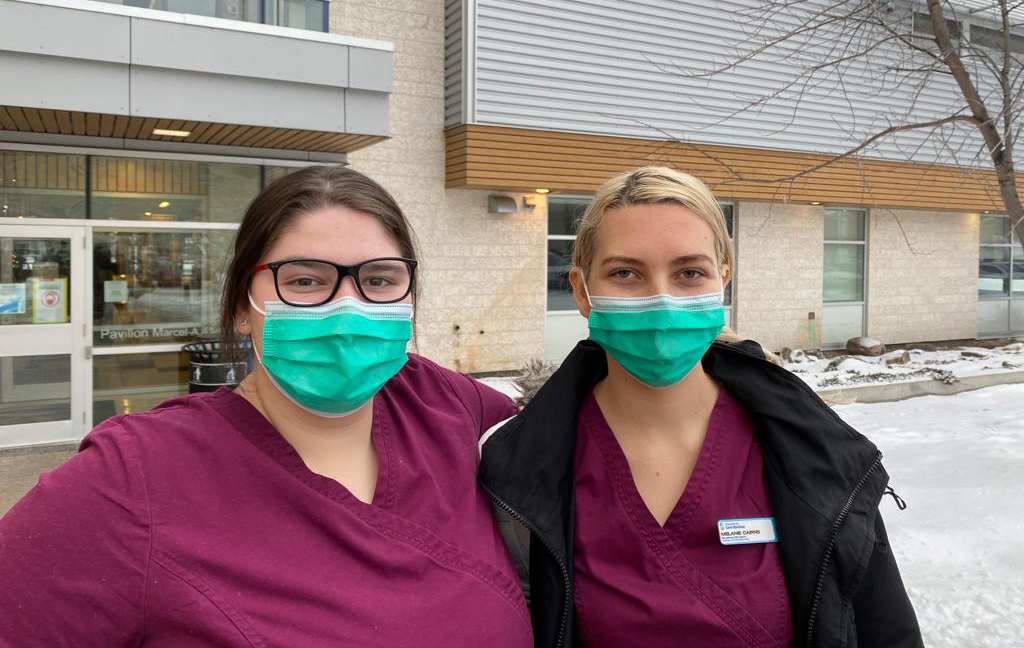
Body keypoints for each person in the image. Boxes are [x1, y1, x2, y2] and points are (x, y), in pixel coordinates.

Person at [0, 166, 533, 647]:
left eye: (379, 280)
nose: (348, 308)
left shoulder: (442, 403)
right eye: (305, 280)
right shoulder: (131, 479)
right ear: (241, 306)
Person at [478, 167, 923, 648]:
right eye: (625, 273)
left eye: (690, 273)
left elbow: (885, 630)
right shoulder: (519, 473)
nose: (662, 301)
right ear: (583, 292)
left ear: (722, 282)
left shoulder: (814, 454)